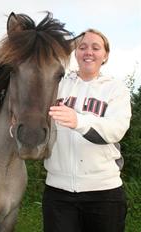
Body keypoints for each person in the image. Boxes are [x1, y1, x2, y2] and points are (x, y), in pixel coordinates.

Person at [42, 29, 132, 232]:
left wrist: (78, 121)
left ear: (105, 55)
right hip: (58, 193)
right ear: (75, 54)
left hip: (104, 193)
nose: (88, 52)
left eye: (95, 47)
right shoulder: (58, 85)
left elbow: (116, 130)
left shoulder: (116, 89)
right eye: (82, 47)